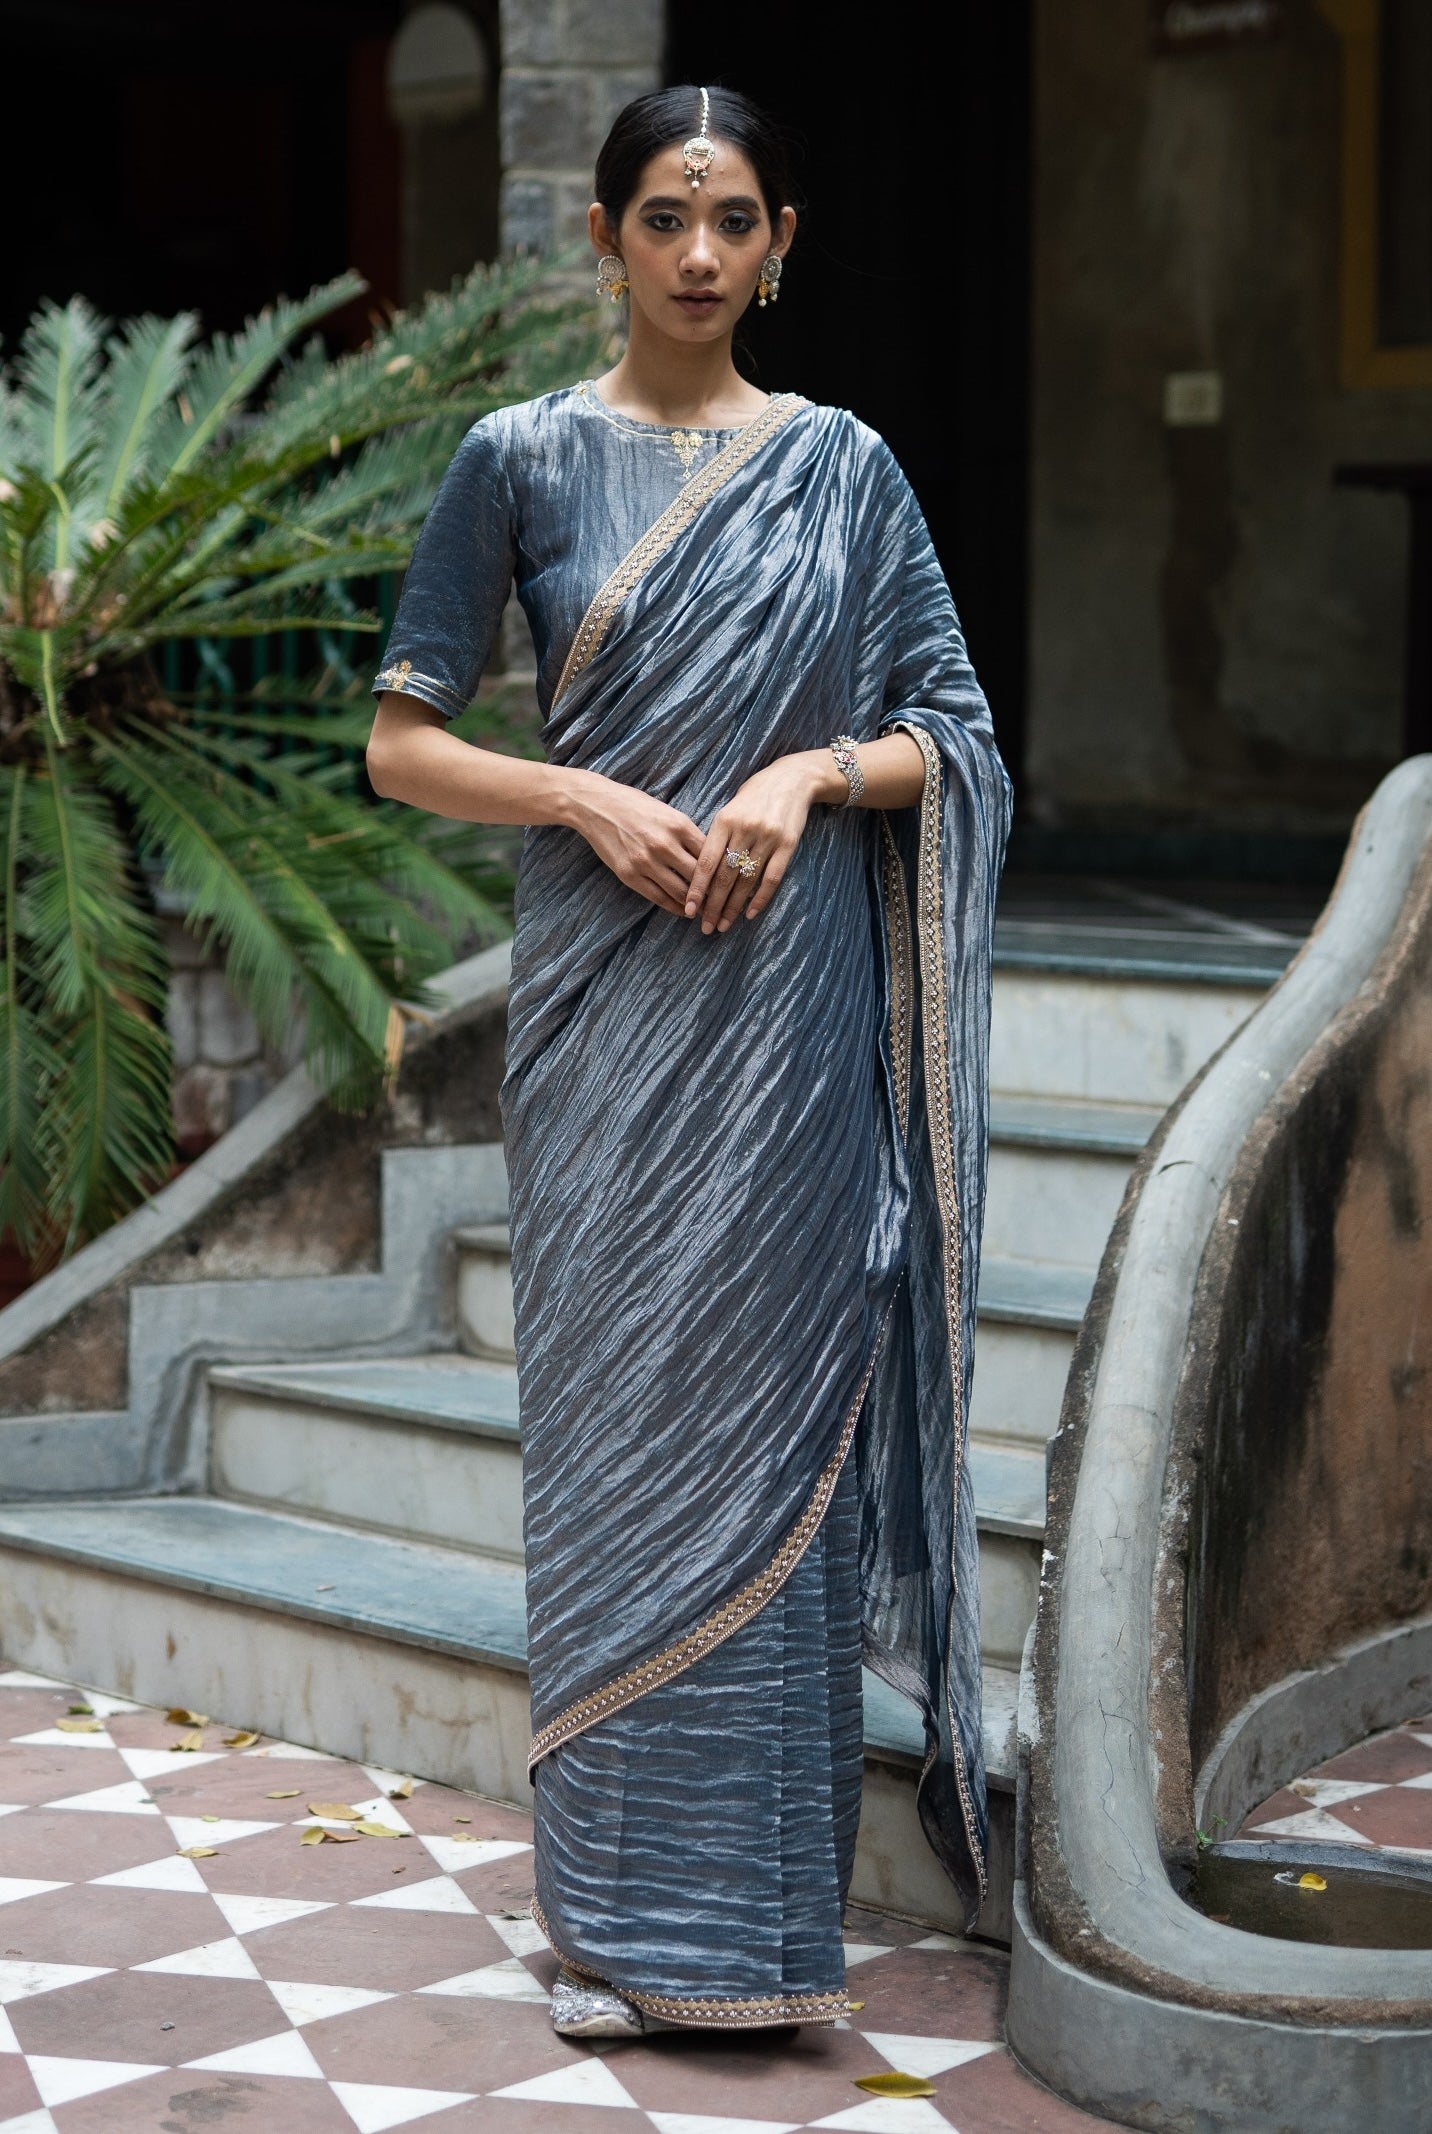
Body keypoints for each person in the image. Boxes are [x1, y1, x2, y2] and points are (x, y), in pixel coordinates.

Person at [365, 82, 1012, 2038]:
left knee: (775, 1446)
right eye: (665, 216)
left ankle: (754, 1945)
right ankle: (625, 1927)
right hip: (604, 1037)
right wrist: (579, 793)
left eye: (734, 220)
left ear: (782, 241)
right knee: (619, 1457)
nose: (701, 253)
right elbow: (401, 741)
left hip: (791, 1040)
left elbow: (956, 736)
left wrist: (807, 769)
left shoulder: (845, 470)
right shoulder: (518, 459)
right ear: (604, 235)